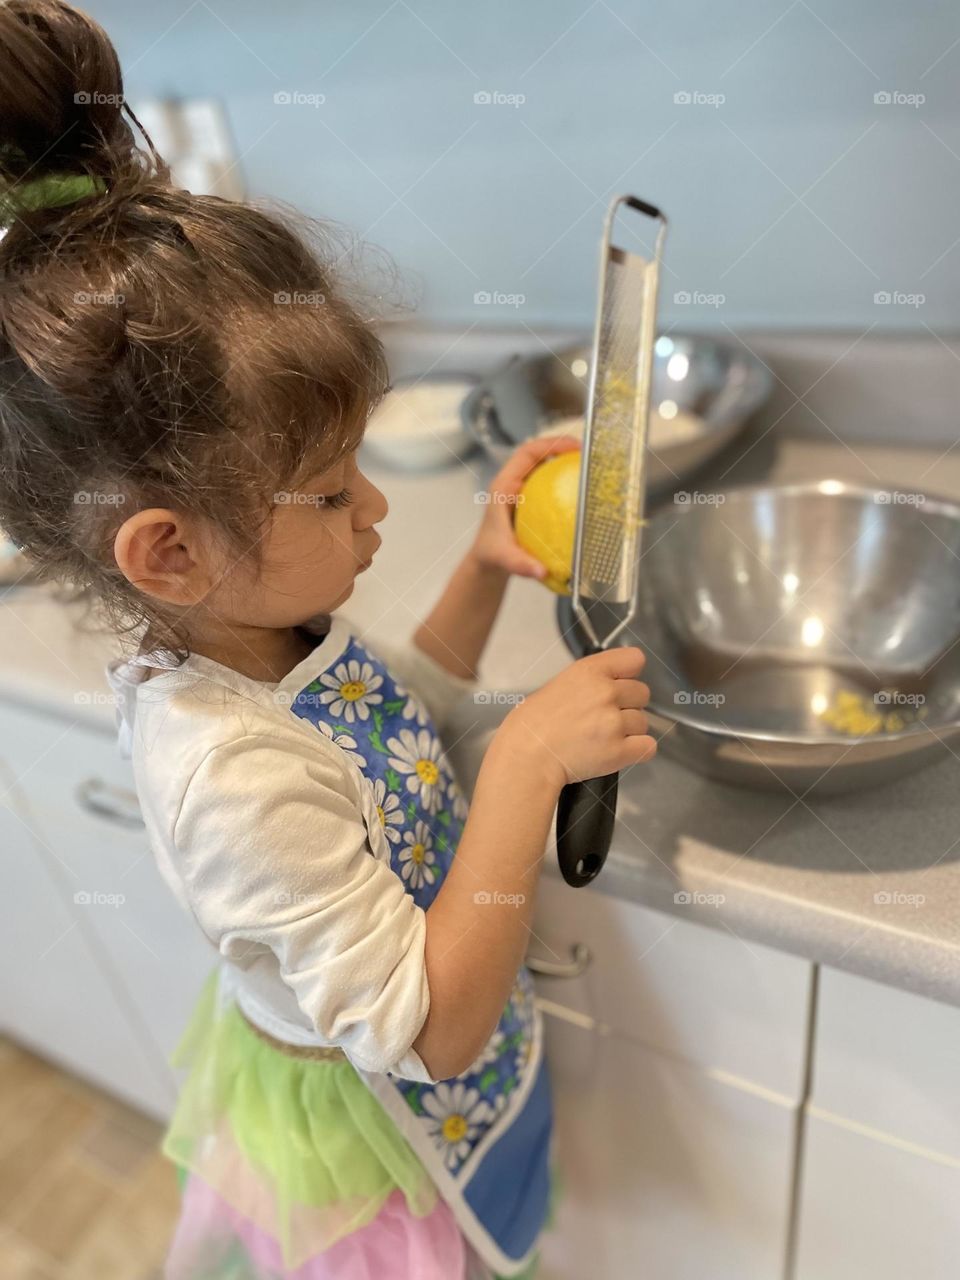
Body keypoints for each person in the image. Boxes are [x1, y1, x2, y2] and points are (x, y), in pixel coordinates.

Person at [0, 3, 656, 1275]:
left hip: (410, 1091)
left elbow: (394, 721)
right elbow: (433, 1031)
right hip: (372, 1139)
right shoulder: (231, 774)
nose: (376, 508)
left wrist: (481, 566)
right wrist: (525, 765)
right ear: (169, 550)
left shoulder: (261, 628)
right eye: (332, 489)